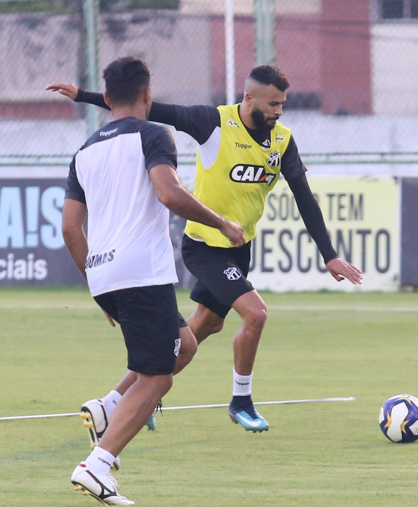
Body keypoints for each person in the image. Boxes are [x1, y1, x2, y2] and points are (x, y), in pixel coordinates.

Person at [49, 64, 362, 437]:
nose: (279, 111)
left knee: (196, 332)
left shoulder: (282, 141)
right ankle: (240, 402)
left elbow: (305, 199)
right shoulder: (212, 122)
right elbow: (147, 108)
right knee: (256, 314)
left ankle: (127, 398)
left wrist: (329, 254)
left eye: (283, 104)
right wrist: (83, 96)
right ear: (248, 98)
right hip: (204, 244)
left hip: (237, 247)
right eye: (273, 104)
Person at [61, 56, 245, 505]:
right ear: (147, 95)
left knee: (186, 344)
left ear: (106, 98)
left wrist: (95, 281)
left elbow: (70, 228)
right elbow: (168, 192)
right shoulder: (153, 134)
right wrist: (221, 222)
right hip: (140, 270)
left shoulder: (84, 150)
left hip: (103, 272)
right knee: (157, 378)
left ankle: (109, 406)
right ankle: (98, 465)